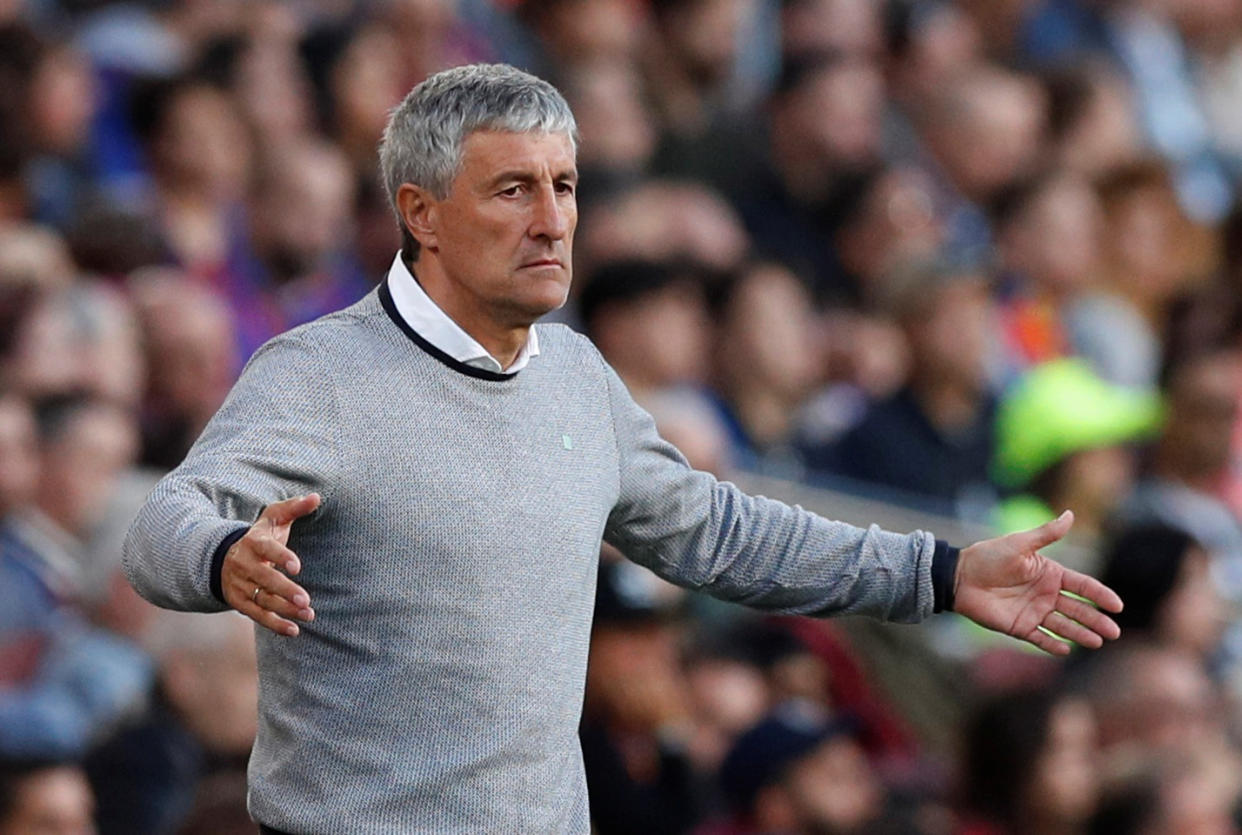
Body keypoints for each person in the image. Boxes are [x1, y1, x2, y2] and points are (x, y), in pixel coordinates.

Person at [123, 64, 1123, 833]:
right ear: (419, 213)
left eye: (564, 186)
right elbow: (163, 525)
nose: (554, 221)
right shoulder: (320, 376)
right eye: (512, 190)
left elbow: (722, 535)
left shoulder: (575, 376)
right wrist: (223, 557)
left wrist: (939, 571)